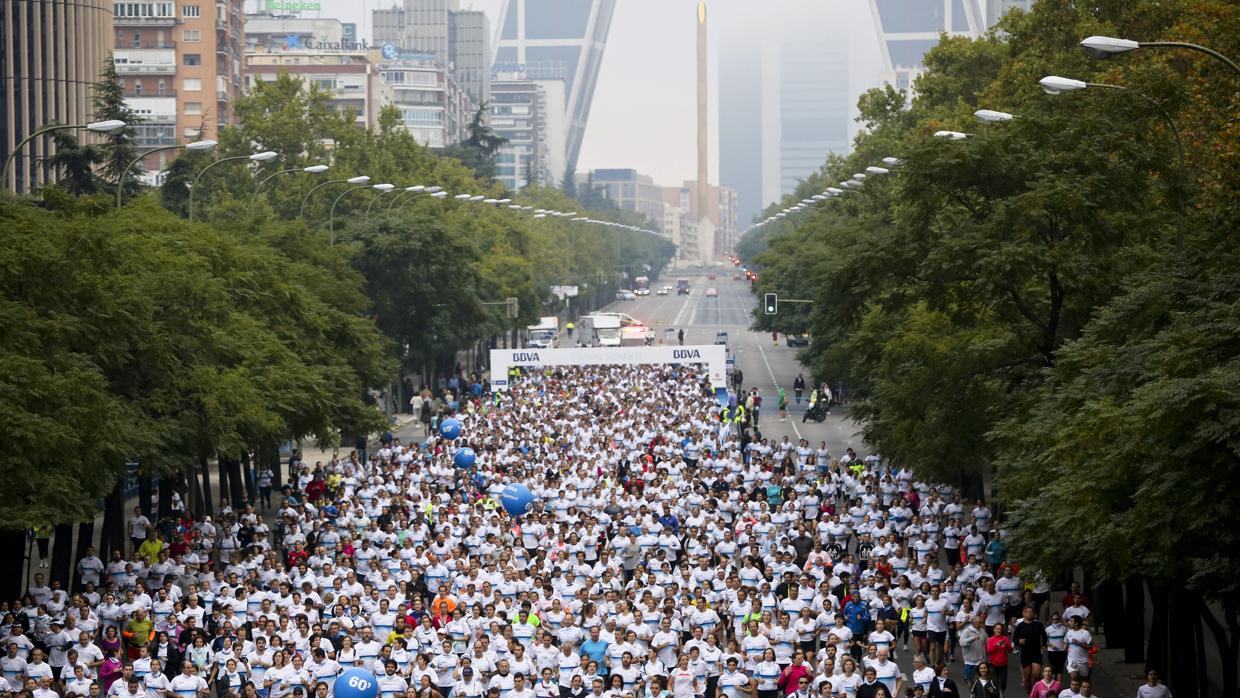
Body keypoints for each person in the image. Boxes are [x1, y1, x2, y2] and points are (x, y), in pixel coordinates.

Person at [1013, 607, 1047, 690]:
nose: (1029, 613)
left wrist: (1044, 646)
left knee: (1036, 674)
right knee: (1027, 677)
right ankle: (1030, 694)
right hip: (1025, 653)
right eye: (1027, 612)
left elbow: (1044, 636)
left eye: (1031, 612)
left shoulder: (1038, 624)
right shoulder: (1020, 626)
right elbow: (1014, 639)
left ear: (1034, 613)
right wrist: (1019, 641)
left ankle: (1036, 692)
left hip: (1036, 652)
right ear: (1024, 614)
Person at [984, 624, 1012, 694]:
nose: (998, 630)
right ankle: (996, 695)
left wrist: (1007, 645)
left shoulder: (1005, 638)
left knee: (1003, 682)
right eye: (997, 629)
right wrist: (996, 645)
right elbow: (988, 651)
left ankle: (1002, 693)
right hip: (993, 664)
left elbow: (1010, 650)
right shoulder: (990, 640)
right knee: (994, 682)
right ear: (994, 629)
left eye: (1000, 629)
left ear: (1002, 630)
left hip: (1003, 664)